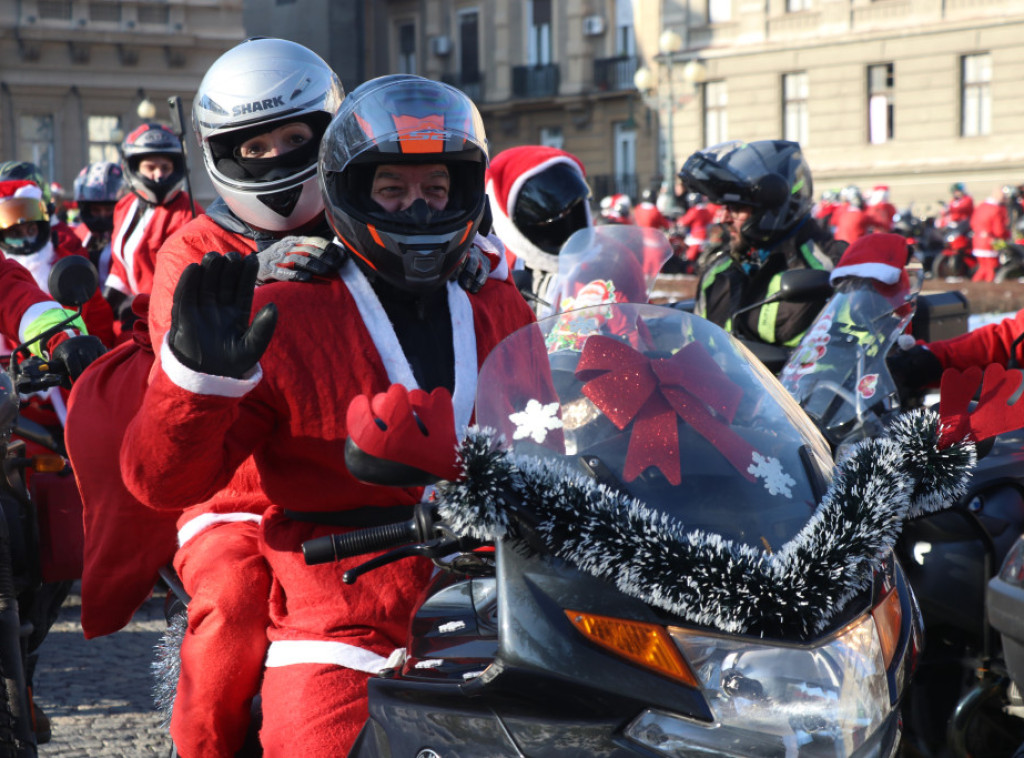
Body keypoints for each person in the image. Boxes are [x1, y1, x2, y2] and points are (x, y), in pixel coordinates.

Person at [119, 74, 535, 756]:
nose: (421, 211)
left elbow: (549, 438)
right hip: (341, 607)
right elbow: (162, 483)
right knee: (299, 718)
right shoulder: (287, 309)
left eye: (437, 191)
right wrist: (197, 377)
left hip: (500, 596)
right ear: (348, 190)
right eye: (393, 191)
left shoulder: (497, 300)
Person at [678, 139, 845, 348]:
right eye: (723, 206)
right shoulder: (718, 271)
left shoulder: (828, 268)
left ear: (772, 209)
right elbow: (691, 351)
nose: (723, 218)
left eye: (736, 208)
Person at [103, 122, 200, 339]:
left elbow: (184, 278)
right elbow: (121, 266)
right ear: (134, 168)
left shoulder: (187, 213)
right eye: (151, 167)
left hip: (165, 326)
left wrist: (142, 303)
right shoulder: (125, 205)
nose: (158, 175)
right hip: (128, 321)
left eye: (165, 168)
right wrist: (108, 300)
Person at [486, 145, 590, 313]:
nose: (564, 217)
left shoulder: (605, 260)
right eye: (551, 214)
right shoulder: (495, 266)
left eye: (570, 209)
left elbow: (632, 326)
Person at [72, 161, 124, 284]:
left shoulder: (129, 236)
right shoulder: (77, 235)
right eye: (96, 210)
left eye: (108, 210)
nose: (102, 215)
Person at [969, 185, 1010, 282]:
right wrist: (1007, 236)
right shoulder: (997, 209)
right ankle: (988, 289)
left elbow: (972, 222)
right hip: (990, 243)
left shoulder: (982, 206)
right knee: (991, 268)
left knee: (983, 267)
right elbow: (999, 230)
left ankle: (973, 287)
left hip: (977, 240)